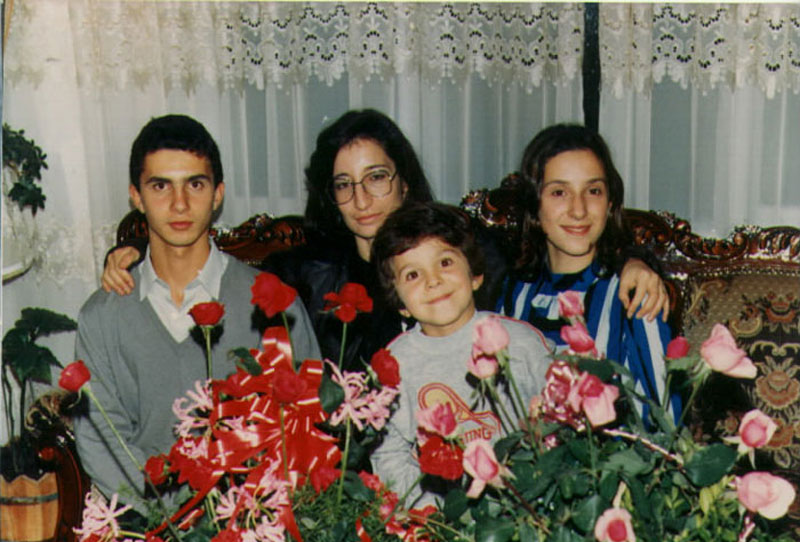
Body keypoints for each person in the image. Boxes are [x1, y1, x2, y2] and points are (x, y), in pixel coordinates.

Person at [100, 109, 668, 372]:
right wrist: (138, 253)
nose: (363, 199)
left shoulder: (468, 249)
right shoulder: (304, 274)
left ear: (403, 180)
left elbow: (556, 241)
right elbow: (216, 274)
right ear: (330, 196)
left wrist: (634, 260)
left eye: (376, 177)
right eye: (344, 185)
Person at [73, 115, 320, 510]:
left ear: (218, 194)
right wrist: (171, 519)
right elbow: (100, 439)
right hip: (146, 526)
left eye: (195, 184)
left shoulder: (273, 303)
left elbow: (303, 424)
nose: (179, 204)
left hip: (255, 519)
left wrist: (245, 518)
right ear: (136, 197)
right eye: (160, 186)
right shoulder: (101, 316)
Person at [369, 202, 551, 505]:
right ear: (399, 302)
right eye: (412, 275)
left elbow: (559, 421)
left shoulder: (520, 342)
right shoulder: (393, 364)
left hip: (527, 504)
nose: (433, 281)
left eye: (445, 262)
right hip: (440, 518)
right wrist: (431, 512)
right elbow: (388, 454)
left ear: (475, 275)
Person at [497, 123, 680, 422]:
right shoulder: (512, 293)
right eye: (559, 192)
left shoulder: (633, 293)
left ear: (610, 203)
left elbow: (664, 423)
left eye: (593, 191)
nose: (579, 210)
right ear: (534, 206)